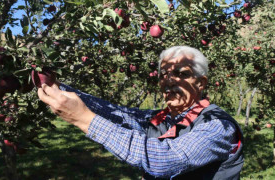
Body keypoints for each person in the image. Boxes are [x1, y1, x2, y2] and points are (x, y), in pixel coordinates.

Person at [37, 46, 244, 180]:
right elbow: (115, 113)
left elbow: (165, 160)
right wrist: (58, 87)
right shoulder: (160, 118)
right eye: (164, 74)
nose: (169, 80)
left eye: (182, 74)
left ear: (200, 82)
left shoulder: (217, 125)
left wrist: (84, 119)